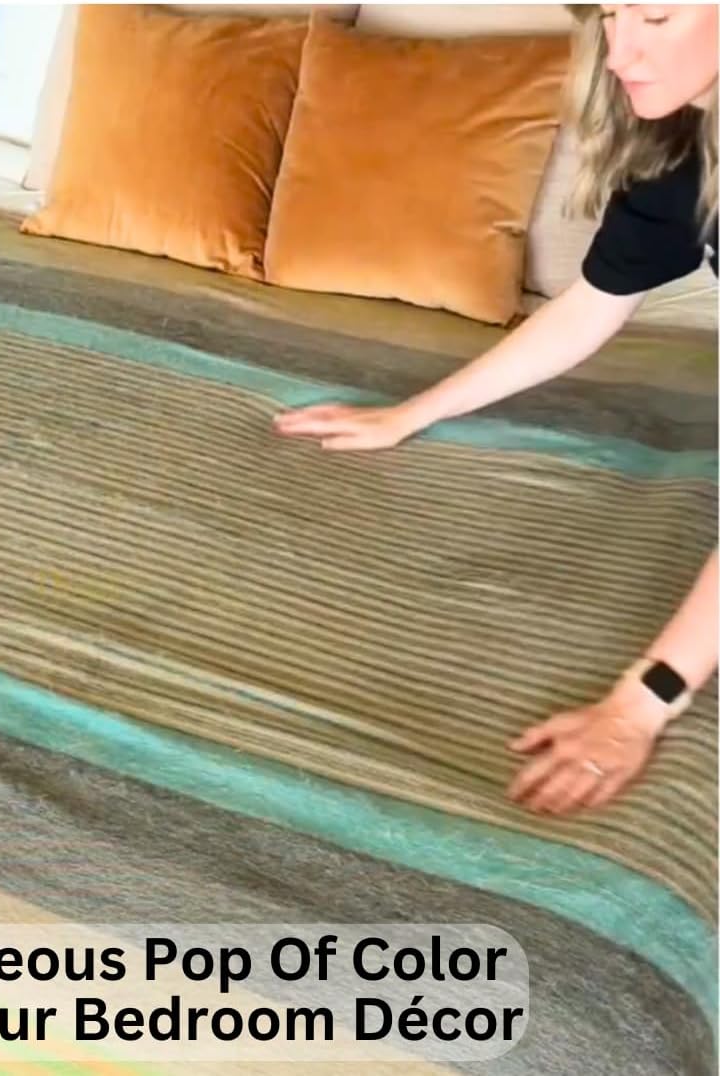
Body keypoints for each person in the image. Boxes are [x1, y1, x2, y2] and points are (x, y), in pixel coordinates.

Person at [273, 4, 718, 816]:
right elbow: (592, 306)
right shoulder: (686, 146)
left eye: (655, 15)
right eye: (609, 14)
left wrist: (645, 699)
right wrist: (411, 414)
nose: (619, 53)